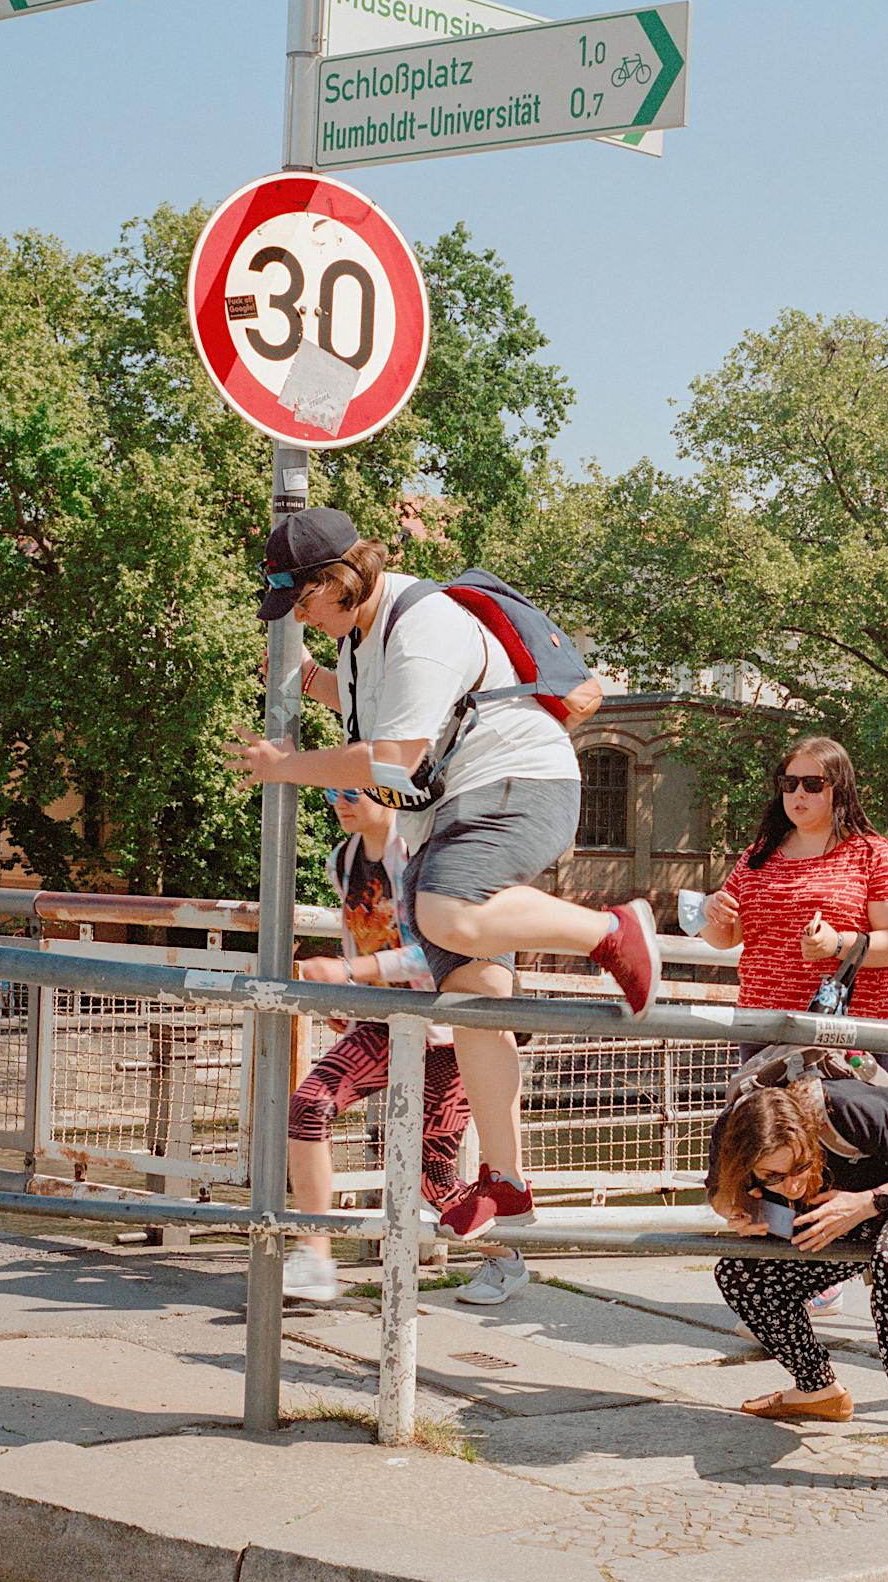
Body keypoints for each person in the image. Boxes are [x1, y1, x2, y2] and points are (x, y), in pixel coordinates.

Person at [226, 508, 660, 1244]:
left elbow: (391, 753)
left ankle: (611, 927)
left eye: (303, 602)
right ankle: (505, 1177)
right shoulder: (363, 641)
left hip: (518, 782)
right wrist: (307, 680)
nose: (300, 615)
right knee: (474, 997)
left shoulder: (422, 622)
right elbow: (369, 711)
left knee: (447, 913)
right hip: (452, 811)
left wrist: (284, 769)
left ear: (339, 581)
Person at [698, 737, 888, 1316]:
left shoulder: (874, 854)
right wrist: (713, 918)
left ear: (838, 788)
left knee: (839, 1150)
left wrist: (840, 944)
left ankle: (837, 1264)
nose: (797, 794)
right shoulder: (759, 854)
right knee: (768, 1152)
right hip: (765, 1026)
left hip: (846, 1034)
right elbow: (725, 938)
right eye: (789, 783)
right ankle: (779, 1277)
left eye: (812, 784)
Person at [706, 1065, 888, 1512]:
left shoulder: (847, 1112)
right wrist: (743, 1209)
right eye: (772, 1176)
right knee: (742, 1273)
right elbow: (719, 1195)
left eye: (799, 1166)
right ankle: (818, 1391)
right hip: (849, 1204)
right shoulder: (733, 1130)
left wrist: (866, 1202)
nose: (791, 1185)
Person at [283, 787, 481, 1302]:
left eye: (352, 792)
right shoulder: (343, 859)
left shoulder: (418, 854)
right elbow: (363, 937)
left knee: (433, 1178)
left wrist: (349, 971)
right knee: (309, 1105)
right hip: (379, 1024)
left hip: (439, 1031)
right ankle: (316, 1256)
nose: (338, 803)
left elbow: (431, 954)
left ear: (390, 794)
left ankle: (508, 1257)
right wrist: (344, 991)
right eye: (330, 792)